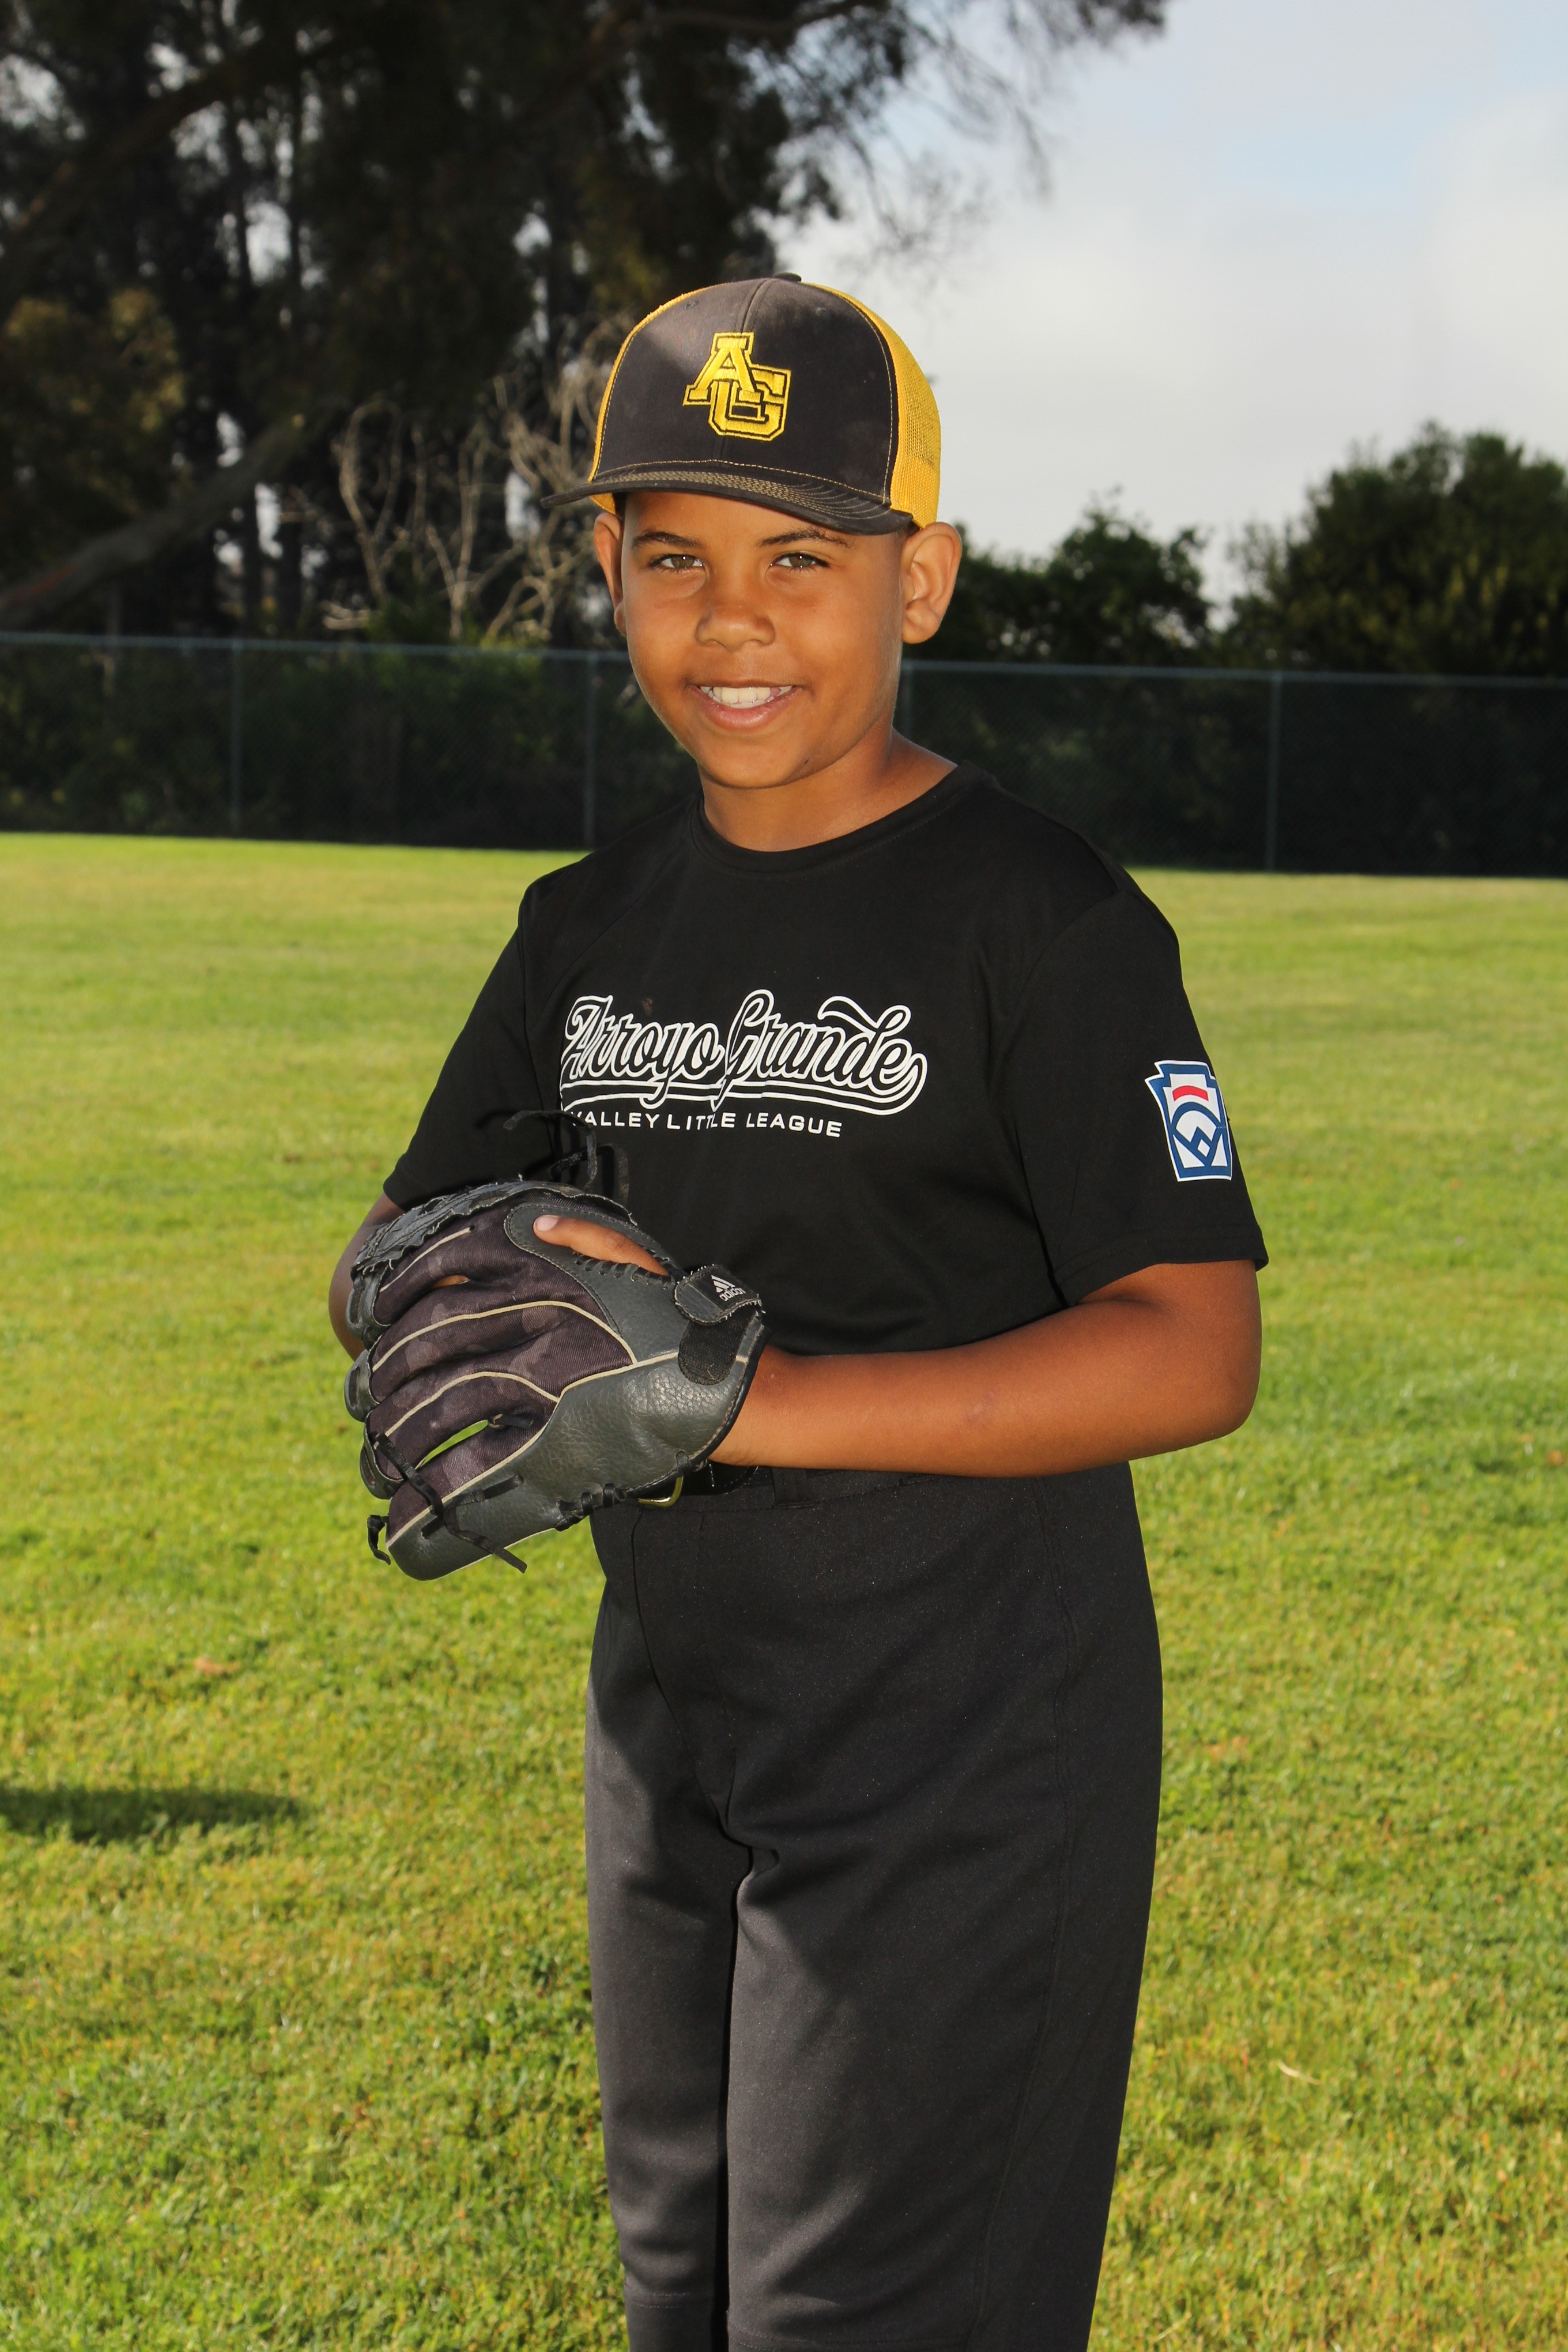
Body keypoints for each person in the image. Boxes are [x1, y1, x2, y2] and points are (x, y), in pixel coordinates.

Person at [329, 275, 1267, 2352]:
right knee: (690, 2299)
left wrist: (735, 1399)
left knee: (864, 2318)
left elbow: (1194, 1345)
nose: (732, 621)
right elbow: (406, 1236)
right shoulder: (589, 925)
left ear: (919, 577)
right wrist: (439, 1292)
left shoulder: (1044, 918)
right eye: (675, 560)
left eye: (802, 561)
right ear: (607, 569)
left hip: (964, 1733)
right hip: (676, 1717)